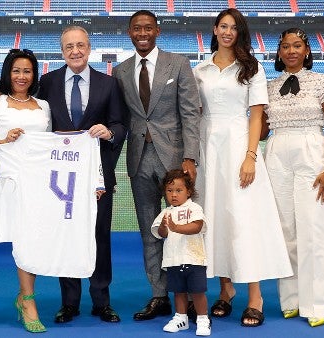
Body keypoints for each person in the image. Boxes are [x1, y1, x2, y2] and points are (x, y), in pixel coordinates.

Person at [192, 8, 293, 327]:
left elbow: (257, 115)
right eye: (223, 26)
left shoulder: (252, 68)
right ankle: (225, 290)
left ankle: (255, 296)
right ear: (214, 28)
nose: (227, 32)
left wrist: (251, 155)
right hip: (209, 148)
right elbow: (194, 113)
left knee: (244, 219)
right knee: (215, 216)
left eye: (233, 27)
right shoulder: (200, 70)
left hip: (239, 147)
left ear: (240, 32)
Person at [112, 10, 201, 322]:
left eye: (148, 27)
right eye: (137, 28)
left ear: (157, 30)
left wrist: (190, 158)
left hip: (176, 161)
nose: (143, 33)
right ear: (129, 32)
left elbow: (191, 113)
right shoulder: (121, 71)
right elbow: (119, 117)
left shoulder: (179, 63)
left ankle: (190, 298)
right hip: (138, 159)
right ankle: (159, 295)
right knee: (150, 231)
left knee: (184, 230)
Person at [37, 25, 127, 324]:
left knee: (100, 236)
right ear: (62, 51)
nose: (75, 51)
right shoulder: (47, 82)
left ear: (89, 48)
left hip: (97, 177)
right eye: (68, 47)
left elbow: (120, 125)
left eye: (80, 45)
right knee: (66, 235)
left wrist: (110, 132)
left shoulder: (109, 84)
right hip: (61, 178)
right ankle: (69, 302)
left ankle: (101, 301)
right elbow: (37, 124)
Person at [264, 27, 324, 328]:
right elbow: (261, 127)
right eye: (286, 46)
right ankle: (291, 299)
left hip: (312, 151)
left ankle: (318, 303)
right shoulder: (270, 87)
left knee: (315, 228)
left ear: (307, 51)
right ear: (279, 52)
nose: (292, 51)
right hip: (276, 152)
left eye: (297, 46)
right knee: (285, 229)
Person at [0, 49, 51, 333]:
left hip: (41, 183)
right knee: (22, 240)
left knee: (34, 240)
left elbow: (52, 145)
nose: (22, 76)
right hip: (12, 182)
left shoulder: (44, 106)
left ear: (34, 74)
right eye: (16, 71)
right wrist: (4, 140)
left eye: (27, 71)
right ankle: (28, 301)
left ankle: (24, 296)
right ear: (7, 74)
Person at [151, 169, 210, 336]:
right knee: (179, 292)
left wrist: (177, 227)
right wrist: (164, 226)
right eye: (169, 191)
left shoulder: (194, 208)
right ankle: (180, 318)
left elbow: (197, 226)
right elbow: (161, 234)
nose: (174, 195)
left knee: (197, 292)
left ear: (189, 191)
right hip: (173, 260)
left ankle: (203, 319)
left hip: (194, 260)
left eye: (179, 190)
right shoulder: (165, 212)